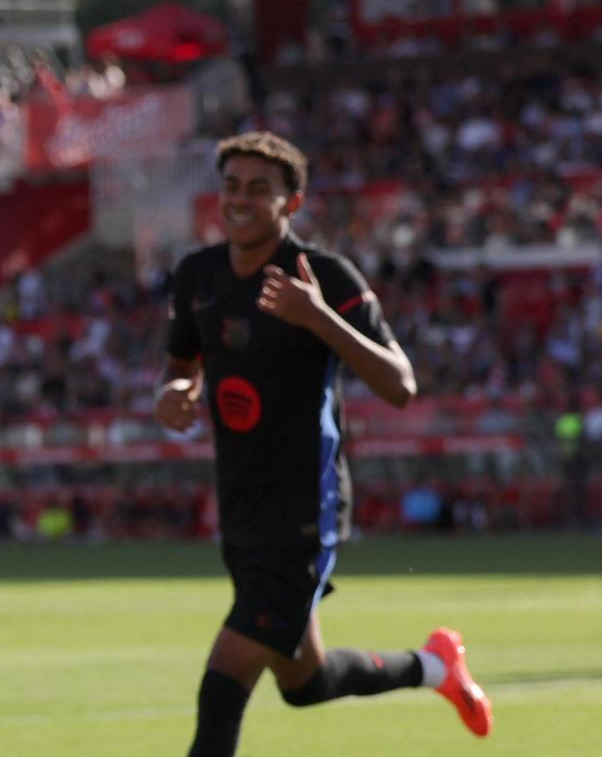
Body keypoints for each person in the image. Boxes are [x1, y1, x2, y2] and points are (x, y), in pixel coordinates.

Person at [157, 131, 492, 756]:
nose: (242, 200)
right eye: (232, 186)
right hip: (241, 505)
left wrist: (319, 318)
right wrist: (173, 391)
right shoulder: (197, 274)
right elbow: (182, 365)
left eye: (261, 188)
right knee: (305, 683)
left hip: (304, 510)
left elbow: (401, 385)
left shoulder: (326, 278)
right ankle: (436, 667)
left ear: (294, 201)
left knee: (224, 682)